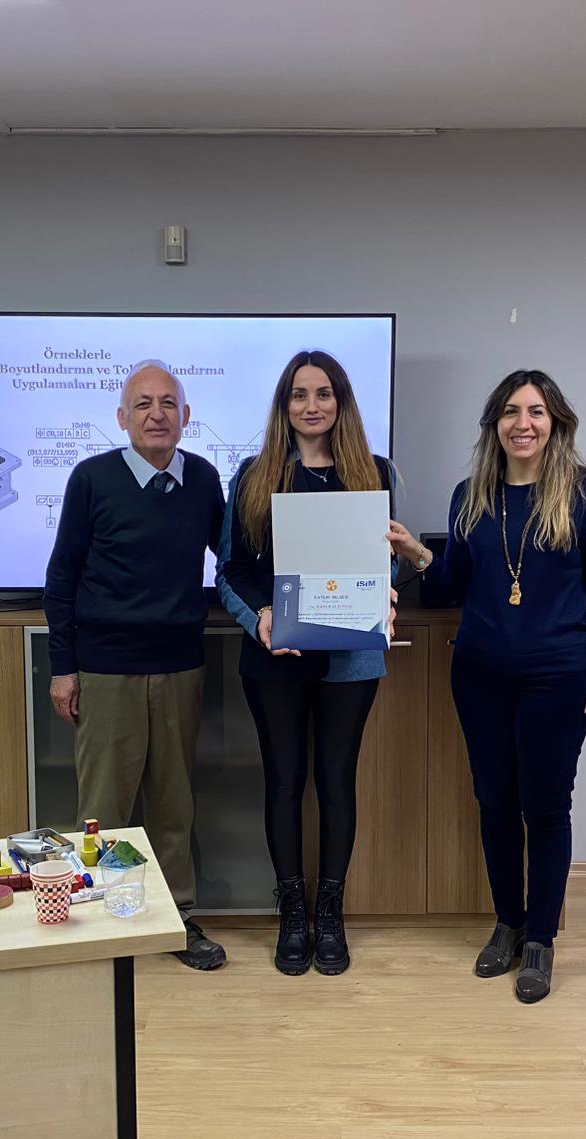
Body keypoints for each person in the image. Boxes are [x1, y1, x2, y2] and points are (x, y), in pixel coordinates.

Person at [388, 369, 586, 1004]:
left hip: (559, 676)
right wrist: (416, 554)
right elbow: (452, 587)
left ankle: (541, 940)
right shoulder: (471, 496)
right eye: (512, 412)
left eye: (536, 411)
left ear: (556, 422)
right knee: (494, 802)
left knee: (544, 808)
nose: (524, 423)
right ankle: (508, 924)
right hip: (480, 674)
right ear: (495, 424)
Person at [216, 349, 395, 977]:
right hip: (275, 654)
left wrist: (387, 592)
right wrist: (260, 617)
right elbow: (231, 569)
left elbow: (381, 558)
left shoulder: (374, 471)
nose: (311, 406)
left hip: (350, 657)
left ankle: (330, 915)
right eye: (299, 394)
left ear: (341, 402)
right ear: (283, 405)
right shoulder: (254, 474)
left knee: (337, 782)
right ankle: (293, 915)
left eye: (323, 394)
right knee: (285, 782)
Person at [44, 359, 227, 970]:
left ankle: (176, 920)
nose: (156, 414)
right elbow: (61, 577)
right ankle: (102, 927)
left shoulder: (203, 479)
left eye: (168, 403)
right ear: (122, 417)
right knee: (104, 811)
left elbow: (233, 558)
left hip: (180, 668)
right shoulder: (92, 478)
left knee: (174, 807)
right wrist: (63, 668)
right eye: (143, 404)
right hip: (106, 669)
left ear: (186, 416)